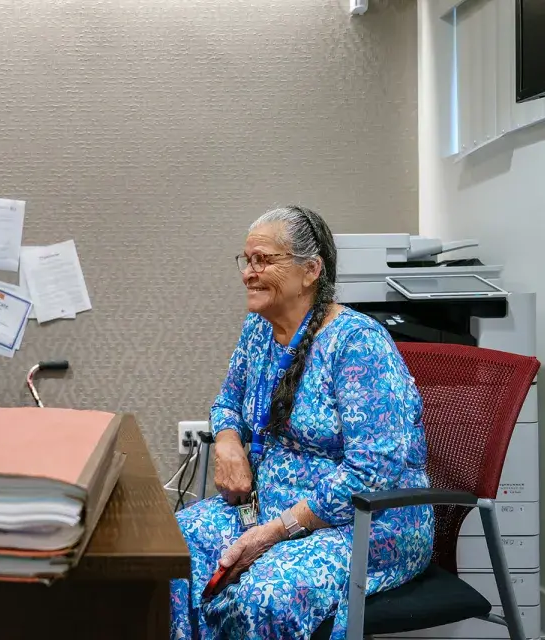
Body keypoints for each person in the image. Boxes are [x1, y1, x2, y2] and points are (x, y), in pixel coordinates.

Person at [170, 206, 434, 639]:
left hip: (367, 524)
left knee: (265, 593)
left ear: (310, 270)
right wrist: (228, 443)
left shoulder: (357, 344)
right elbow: (227, 402)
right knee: (173, 547)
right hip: (268, 508)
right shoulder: (258, 330)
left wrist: (276, 531)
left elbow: (373, 472)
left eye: (263, 261)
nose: (248, 273)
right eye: (246, 260)